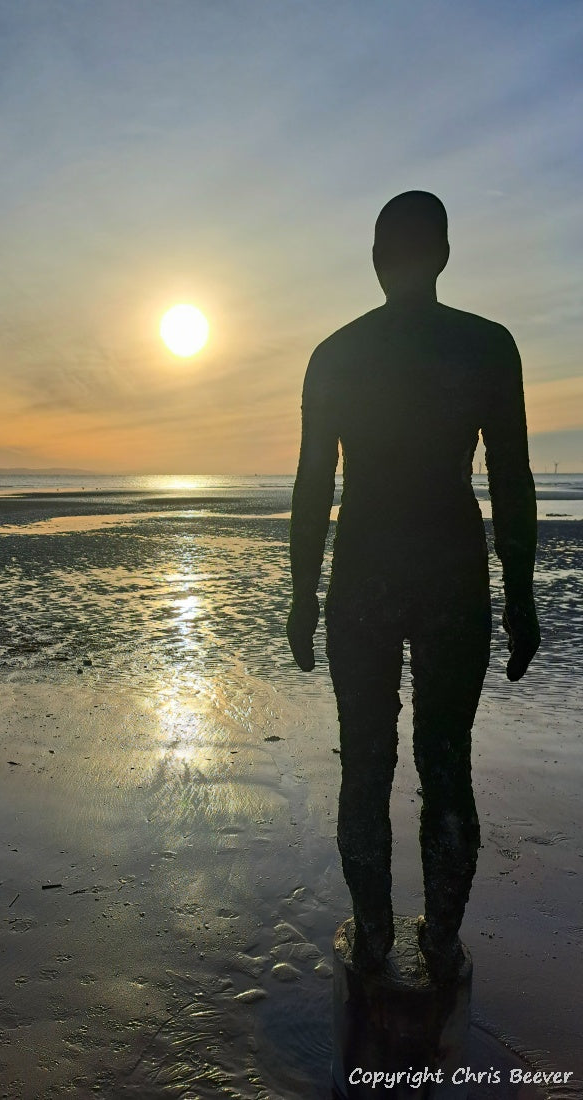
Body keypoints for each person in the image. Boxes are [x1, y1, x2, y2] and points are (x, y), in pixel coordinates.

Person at [287, 191, 540, 980]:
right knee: (445, 759)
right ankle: (439, 941)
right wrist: (522, 592)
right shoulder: (487, 347)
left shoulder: (337, 354)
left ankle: (371, 936)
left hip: (363, 565)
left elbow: (310, 486)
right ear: (443, 254)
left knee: (365, 760)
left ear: (375, 257)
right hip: (452, 569)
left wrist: (301, 593)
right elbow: (512, 478)